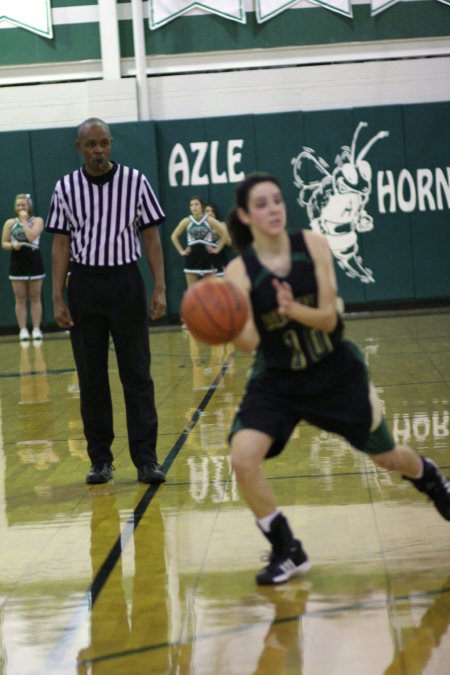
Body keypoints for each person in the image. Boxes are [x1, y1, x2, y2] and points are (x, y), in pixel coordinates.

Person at [223, 172, 450, 586]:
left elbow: (329, 319)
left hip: (333, 372)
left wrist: (291, 309)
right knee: (242, 458)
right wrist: (227, 326)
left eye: (277, 200)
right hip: (278, 378)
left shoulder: (313, 245)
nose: (274, 209)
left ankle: (430, 478)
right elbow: (250, 342)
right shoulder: (239, 271)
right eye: (262, 204)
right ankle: (286, 548)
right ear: (245, 215)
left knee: (386, 457)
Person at [45, 117, 167, 486]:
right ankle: (100, 460)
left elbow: (150, 238)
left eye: (103, 143)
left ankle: (146, 460)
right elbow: (60, 244)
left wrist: (159, 287)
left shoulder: (136, 181)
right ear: (79, 147)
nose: (98, 150)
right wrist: (57, 296)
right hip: (84, 285)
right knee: (91, 378)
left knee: (138, 375)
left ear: (111, 144)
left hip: (125, 283)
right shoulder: (65, 188)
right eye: (91, 144)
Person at [2, 193, 45, 341]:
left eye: (24, 205)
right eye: (18, 205)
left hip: (34, 261)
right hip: (17, 263)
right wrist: (12, 245)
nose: (21, 207)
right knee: (20, 298)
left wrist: (25, 221)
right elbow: (4, 243)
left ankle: (37, 329)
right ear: (15, 207)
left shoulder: (37, 221)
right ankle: (23, 330)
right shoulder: (9, 223)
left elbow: (32, 236)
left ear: (29, 206)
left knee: (35, 296)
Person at [170, 196, 229, 288]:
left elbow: (225, 233)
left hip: (207, 257)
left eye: (196, 204)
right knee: (191, 291)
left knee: (209, 291)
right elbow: (174, 236)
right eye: (191, 205)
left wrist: (217, 249)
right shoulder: (186, 221)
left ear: (202, 206)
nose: (194, 207)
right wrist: (181, 251)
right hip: (192, 258)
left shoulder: (209, 220)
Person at [204, 202, 232, 277]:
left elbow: (229, 242)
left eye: (212, 211)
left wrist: (218, 232)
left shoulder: (221, 224)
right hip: (205, 259)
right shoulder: (201, 226)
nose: (210, 213)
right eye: (207, 211)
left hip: (219, 257)